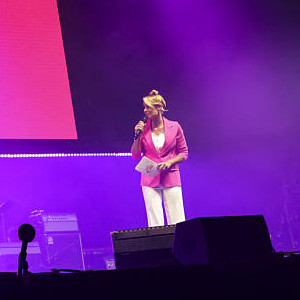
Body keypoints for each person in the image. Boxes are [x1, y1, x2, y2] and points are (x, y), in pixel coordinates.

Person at [131, 90, 188, 227]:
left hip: (171, 176)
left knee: (177, 219)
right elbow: (135, 155)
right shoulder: (143, 129)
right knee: (155, 221)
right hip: (150, 178)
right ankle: (160, 247)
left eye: (148, 107)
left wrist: (169, 162)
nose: (145, 110)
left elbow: (184, 153)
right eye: (144, 107)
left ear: (159, 108)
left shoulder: (174, 127)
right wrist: (137, 136)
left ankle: (180, 246)